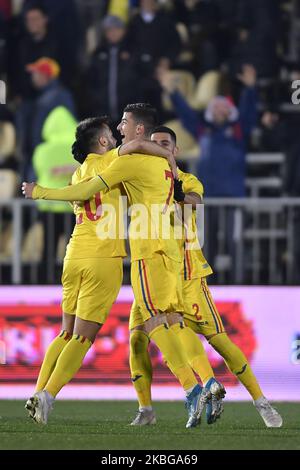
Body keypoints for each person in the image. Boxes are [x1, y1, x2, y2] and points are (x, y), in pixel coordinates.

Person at [22, 103, 225, 429]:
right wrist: (168, 157)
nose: (118, 132)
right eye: (112, 132)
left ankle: (39, 392)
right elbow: (140, 144)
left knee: (66, 331)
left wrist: (41, 190)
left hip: (74, 254)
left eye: (123, 124)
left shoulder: (77, 171)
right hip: (107, 257)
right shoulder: (117, 160)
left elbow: (87, 187)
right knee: (90, 336)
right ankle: (48, 397)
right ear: (102, 143)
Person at [128, 125, 282, 428]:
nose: (158, 149)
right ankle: (149, 408)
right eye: (153, 144)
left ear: (175, 151)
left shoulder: (186, 180)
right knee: (137, 339)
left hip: (187, 276)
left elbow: (193, 202)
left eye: (164, 144)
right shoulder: (144, 180)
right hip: (154, 272)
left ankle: (260, 401)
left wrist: (172, 195)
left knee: (219, 341)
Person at [17, 57, 76, 180]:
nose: (33, 77)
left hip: (47, 153)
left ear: (45, 75)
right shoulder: (47, 96)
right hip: (43, 151)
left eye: (36, 73)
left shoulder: (55, 97)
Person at [86, 15, 141, 126]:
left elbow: (140, 79)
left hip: (129, 115)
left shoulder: (133, 51)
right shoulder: (98, 53)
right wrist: (97, 101)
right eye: (109, 30)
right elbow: (91, 81)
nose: (113, 33)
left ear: (124, 30)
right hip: (103, 114)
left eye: (117, 29)